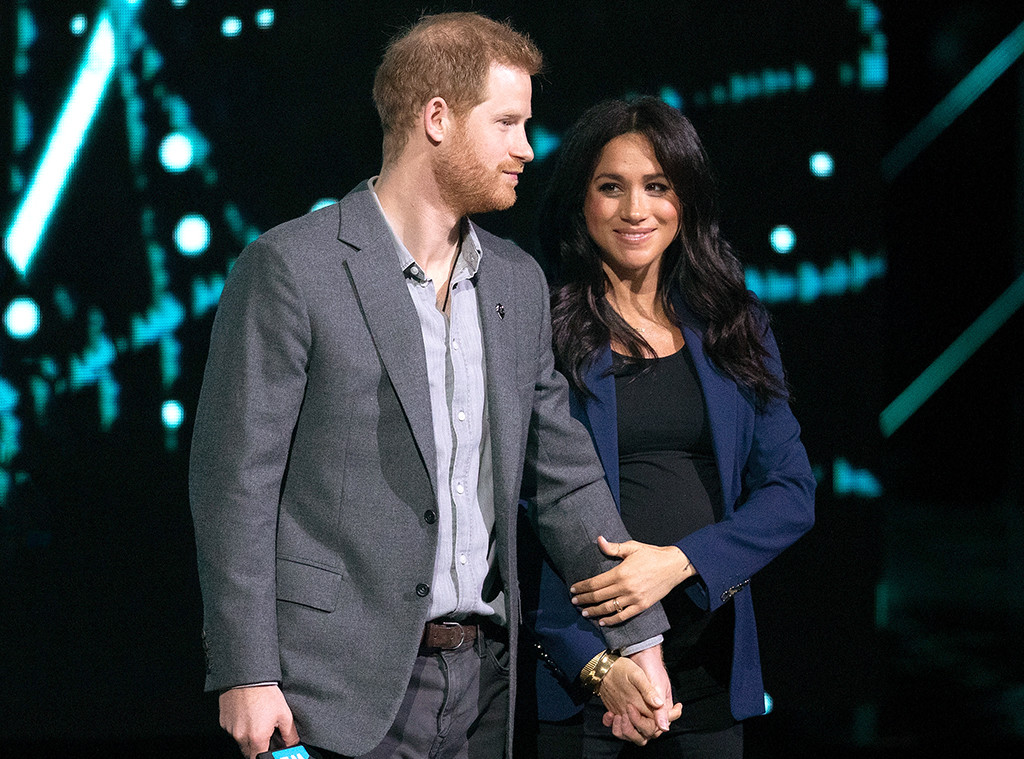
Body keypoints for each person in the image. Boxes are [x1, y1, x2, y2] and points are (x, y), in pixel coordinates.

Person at [189, 15, 680, 759]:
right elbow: (236, 484)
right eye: (508, 122)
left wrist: (637, 634)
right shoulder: (294, 266)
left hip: (483, 684)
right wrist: (246, 670)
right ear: (438, 119)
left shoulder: (515, 280)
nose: (526, 148)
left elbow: (564, 478)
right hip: (332, 687)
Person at [517, 97, 816, 759]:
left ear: (687, 200)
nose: (636, 211)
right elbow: (521, 515)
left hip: (709, 672)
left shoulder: (733, 322)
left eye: (658, 187)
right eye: (611, 187)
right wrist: (596, 666)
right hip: (588, 678)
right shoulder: (539, 330)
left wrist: (676, 563)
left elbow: (791, 493)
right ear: (579, 200)